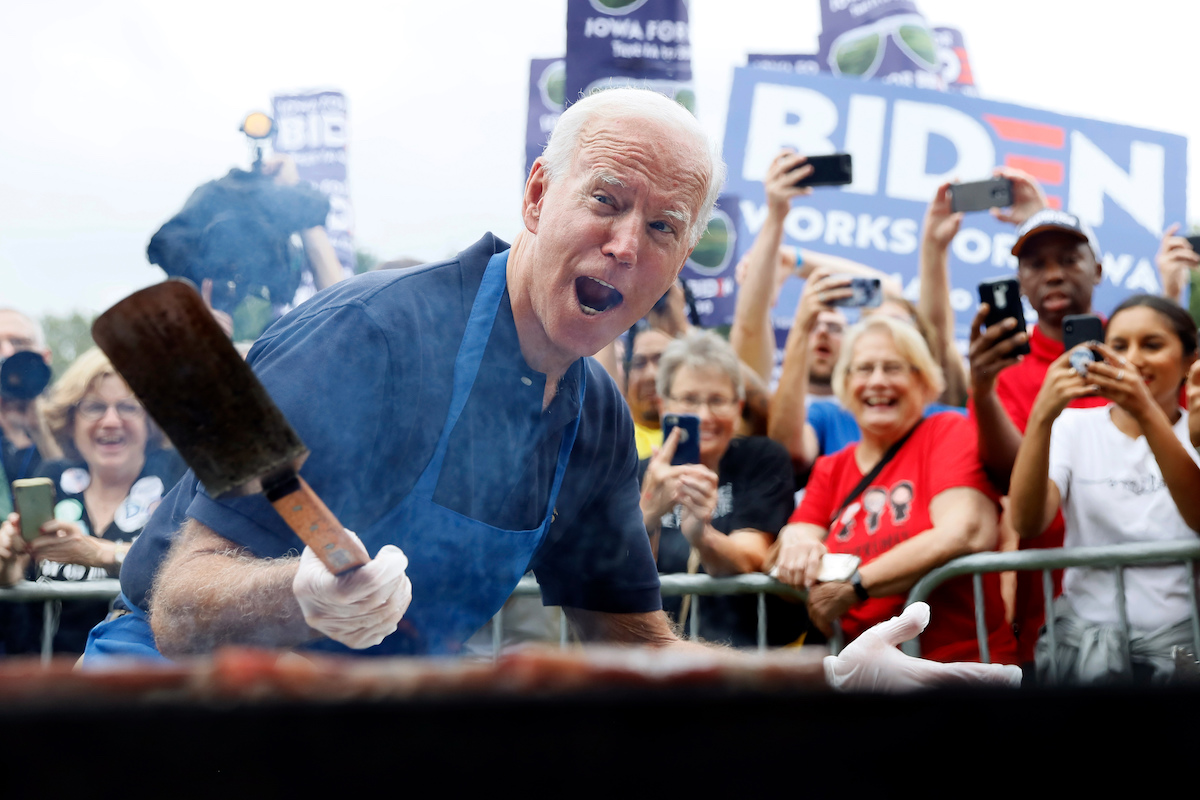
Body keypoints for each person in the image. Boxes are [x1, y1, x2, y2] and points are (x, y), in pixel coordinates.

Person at [85, 89, 1019, 691]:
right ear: (537, 196)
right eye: (605, 201)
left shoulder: (597, 416)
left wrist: (823, 681)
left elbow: (637, 645)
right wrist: (296, 594)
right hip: (166, 706)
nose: (626, 244)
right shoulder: (373, 332)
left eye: (663, 226)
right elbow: (179, 603)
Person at [770, 316, 1017, 663]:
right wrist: (795, 540)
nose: (877, 381)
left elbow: (966, 531)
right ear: (845, 382)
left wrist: (856, 586)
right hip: (863, 680)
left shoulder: (947, 431)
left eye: (893, 368)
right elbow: (797, 536)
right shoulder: (832, 467)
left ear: (924, 381)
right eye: (864, 369)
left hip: (957, 671)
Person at [1008, 295, 1200, 684]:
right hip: (1083, 650)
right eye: (1118, 346)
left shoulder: (1194, 433)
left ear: (1187, 360)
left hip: (1179, 648)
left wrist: (1145, 410)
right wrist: (1043, 415)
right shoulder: (1074, 426)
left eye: (1152, 344)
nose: (1133, 359)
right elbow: (1028, 521)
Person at [967, 202, 1110, 662]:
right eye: (1036, 264)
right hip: (1047, 610)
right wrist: (983, 390)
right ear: (1020, 281)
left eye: (1069, 259)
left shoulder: (1138, 349)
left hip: (1163, 603)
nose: (1053, 274)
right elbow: (1009, 474)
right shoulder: (1003, 370)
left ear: (1099, 269)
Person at [0, 348, 184, 653]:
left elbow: (191, 570)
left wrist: (101, 553)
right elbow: (16, 575)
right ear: (70, 421)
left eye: (128, 407)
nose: (111, 421)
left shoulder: (176, 483)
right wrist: (6, 560)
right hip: (46, 682)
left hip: (136, 685)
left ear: (150, 421)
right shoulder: (53, 478)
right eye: (94, 407)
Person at [639, 331, 795, 646]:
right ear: (664, 404)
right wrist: (647, 516)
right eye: (690, 400)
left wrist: (703, 537)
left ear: (738, 408)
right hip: (654, 659)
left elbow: (752, 557)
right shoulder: (637, 471)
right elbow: (616, 571)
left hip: (744, 657)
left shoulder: (761, 458)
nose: (704, 416)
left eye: (717, 400)